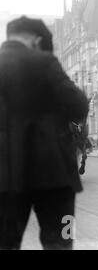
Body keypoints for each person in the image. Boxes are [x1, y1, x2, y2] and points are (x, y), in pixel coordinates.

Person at [0, 16, 89, 249]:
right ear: (38, 41)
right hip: (54, 175)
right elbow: (78, 105)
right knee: (61, 240)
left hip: (4, 177)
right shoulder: (45, 62)